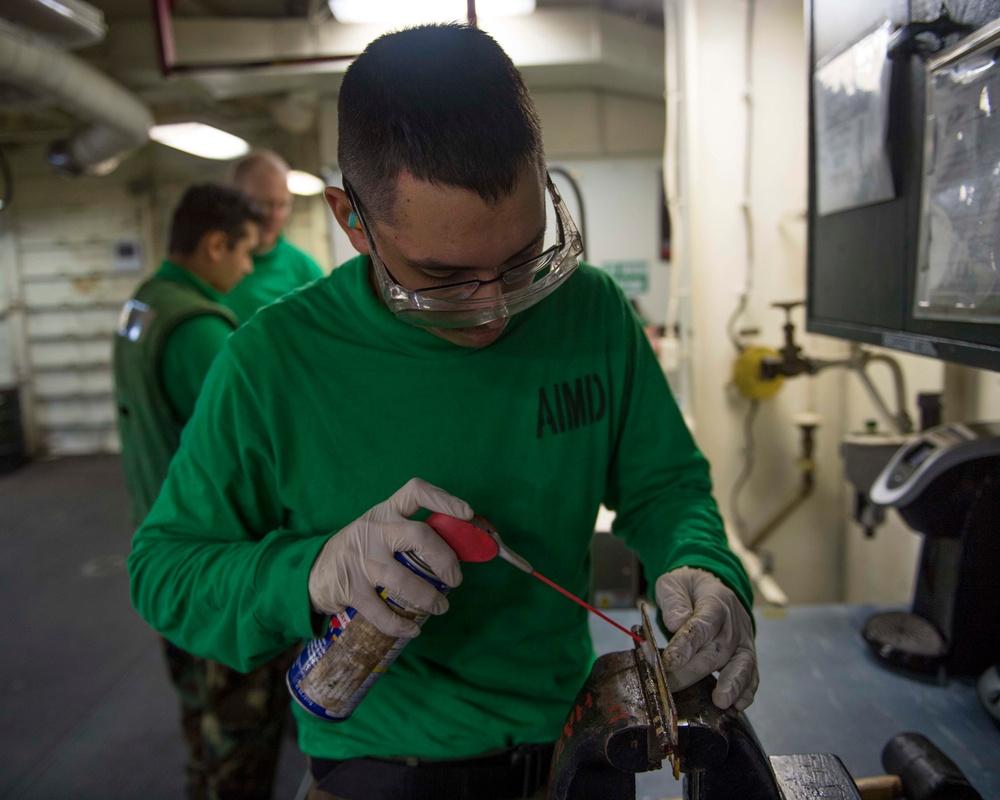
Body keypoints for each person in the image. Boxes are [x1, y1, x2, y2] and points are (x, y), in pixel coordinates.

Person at [128, 24, 758, 800]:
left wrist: (701, 565)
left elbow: (665, 487)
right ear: (351, 220)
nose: (495, 311)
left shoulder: (590, 313)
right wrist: (311, 572)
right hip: (381, 770)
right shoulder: (271, 361)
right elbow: (163, 572)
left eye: (525, 258)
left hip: (576, 750)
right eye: (444, 277)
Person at [113, 183, 297, 800]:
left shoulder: (144, 305)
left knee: (199, 720)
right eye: (244, 252)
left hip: (160, 544)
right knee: (240, 737)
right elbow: (258, 454)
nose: (248, 268)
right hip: (215, 565)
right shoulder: (200, 332)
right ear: (214, 245)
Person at [224, 149, 324, 324]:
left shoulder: (305, 271)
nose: (274, 216)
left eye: (282, 205)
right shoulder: (214, 264)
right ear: (235, 198)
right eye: (263, 204)